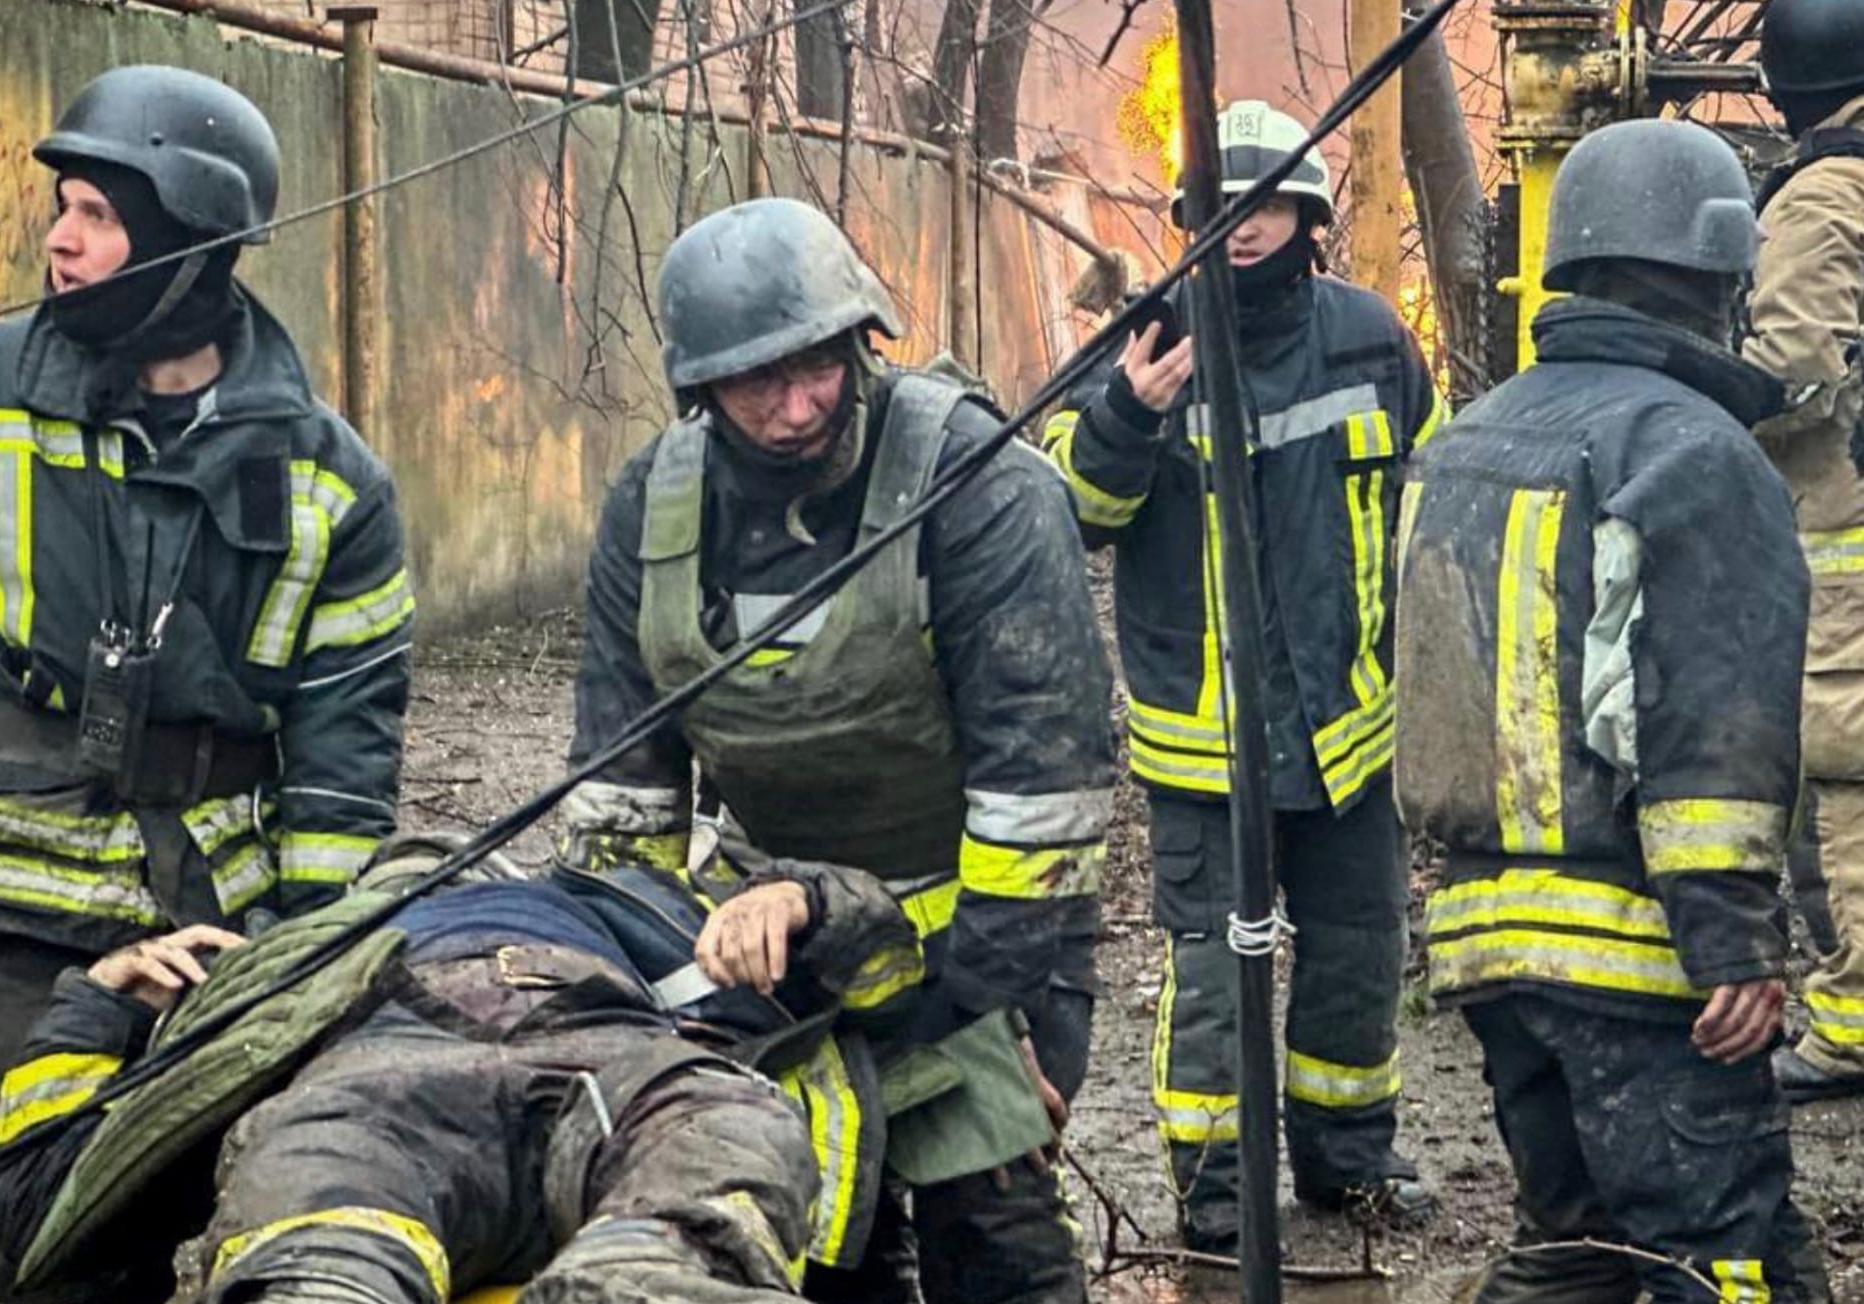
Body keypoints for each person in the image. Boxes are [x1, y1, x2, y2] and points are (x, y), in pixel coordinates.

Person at [0, 62, 412, 1229]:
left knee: (197, 1204)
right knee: (37, 1208)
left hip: (217, 913)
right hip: (3, 906)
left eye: (98, 215)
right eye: (63, 207)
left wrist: (297, 955)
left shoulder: (329, 480)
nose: (60, 241)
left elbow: (347, 750)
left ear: (190, 244)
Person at [562, 196, 1115, 1304]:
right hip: (766, 954)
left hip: (982, 949)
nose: (796, 403)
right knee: (801, 1239)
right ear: (699, 388)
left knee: (996, 1241)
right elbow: (620, 800)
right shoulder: (651, 505)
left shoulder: (979, 484)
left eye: (818, 362)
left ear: (861, 339)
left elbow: (1040, 789)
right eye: (756, 380)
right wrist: (646, 1000)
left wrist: (978, 1021)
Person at [1395, 117, 1828, 1303]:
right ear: (1715, 274)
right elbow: (1710, 715)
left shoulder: (1468, 437)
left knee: (1574, 1244)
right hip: (1642, 959)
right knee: (1728, 1254)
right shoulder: (1695, 449)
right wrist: (1733, 940)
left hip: (1486, 944)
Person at [1042, 100, 1440, 1253]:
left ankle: (1347, 1161)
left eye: (1265, 202)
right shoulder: (1139, 349)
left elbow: (1426, 491)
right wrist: (1127, 414)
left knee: (1359, 953)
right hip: (1205, 747)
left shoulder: (1370, 337)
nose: (1243, 225)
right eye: (1218, 206)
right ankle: (1215, 1195)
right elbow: (1070, 513)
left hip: (1347, 731)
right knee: (1215, 976)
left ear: (1308, 215)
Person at [0, 835, 924, 1304]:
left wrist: (804, 899)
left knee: (723, 1130)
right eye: (410, 858)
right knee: (314, 1201)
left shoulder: (631, 899)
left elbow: (889, 971)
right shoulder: (276, 953)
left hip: (612, 1046)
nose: (440, 862)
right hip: (377, 1076)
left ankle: (648, 1277)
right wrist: (100, 997)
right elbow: (29, 1214)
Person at [1741, 0, 1864, 1103]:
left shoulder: (1822, 200)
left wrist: (1697, 388)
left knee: (1841, 777)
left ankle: (1848, 1026)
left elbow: (1791, 377)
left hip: (1840, 547)